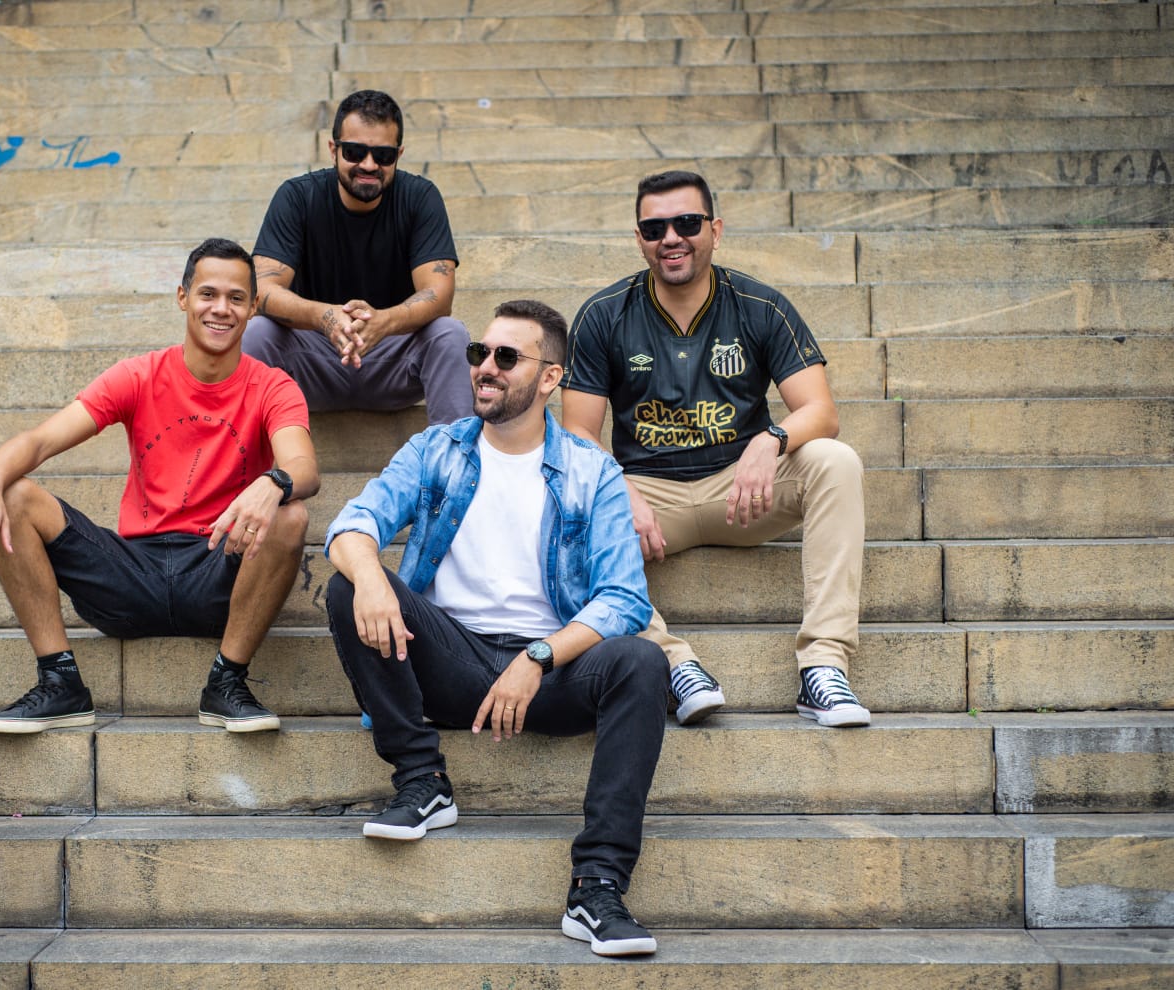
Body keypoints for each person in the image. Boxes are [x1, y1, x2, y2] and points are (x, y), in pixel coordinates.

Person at [325, 299, 668, 957]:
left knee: (642, 662)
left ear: (549, 379)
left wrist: (538, 656)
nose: (484, 367)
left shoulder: (591, 470)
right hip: (448, 661)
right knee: (349, 583)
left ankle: (596, 886)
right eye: (478, 353)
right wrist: (370, 578)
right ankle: (422, 782)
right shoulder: (437, 449)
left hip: (551, 672)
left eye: (505, 357)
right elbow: (352, 524)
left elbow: (623, 599)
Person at [0, 238, 318, 734]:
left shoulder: (272, 386)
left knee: (291, 513)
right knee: (15, 494)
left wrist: (274, 481)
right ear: (182, 297)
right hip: (132, 573)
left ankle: (226, 683)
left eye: (236, 298)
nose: (221, 308)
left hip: (218, 567)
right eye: (208, 293)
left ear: (254, 307)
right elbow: (40, 441)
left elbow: (303, 465)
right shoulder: (141, 375)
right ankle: (60, 683)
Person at [561, 170, 870, 729]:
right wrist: (618, 488)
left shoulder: (760, 306)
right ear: (639, 239)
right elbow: (578, 433)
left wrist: (770, 440)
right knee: (564, 495)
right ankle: (672, 663)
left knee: (835, 462)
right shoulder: (604, 314)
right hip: (652, 503)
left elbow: (821, 413)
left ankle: (824, 666)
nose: (671, 237)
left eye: (687, 223)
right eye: (655, 227)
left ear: (715, 229)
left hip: (742, 492)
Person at [243, 88, 472, 426]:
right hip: (313, 360)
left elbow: (439, 295)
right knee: (258, 332)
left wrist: (384, 322)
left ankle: (454, 465)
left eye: (383, 155)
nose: (368, 165)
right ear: (333, 149)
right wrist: (323, 317)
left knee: (449, 334)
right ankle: (242, 467)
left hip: (393, 359)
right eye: (354, 151)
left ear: (399, 154)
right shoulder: (297, 197)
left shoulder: (420, 197)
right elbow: (261, 289)